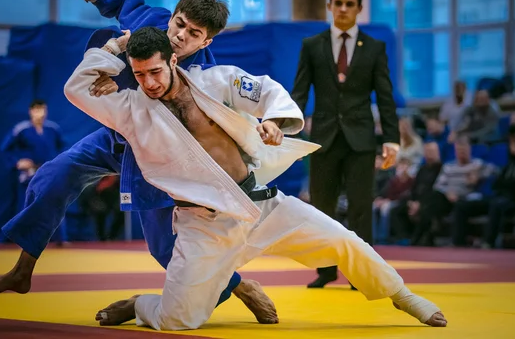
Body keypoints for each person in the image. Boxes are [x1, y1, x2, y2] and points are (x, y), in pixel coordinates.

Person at [65, 26, 447, 331]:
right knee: (176, 321)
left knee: (344, 240)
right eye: (139, 74)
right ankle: (141, 304)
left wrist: (273, 121)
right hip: (204, 226)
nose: (148, 83)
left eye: (155, 71)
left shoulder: (216, 81)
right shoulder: (132, 109)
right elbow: (76, 89)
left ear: (172, 59)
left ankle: (402, 295)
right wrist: (117, 46)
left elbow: (265, 90)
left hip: (262, 204)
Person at [0, 0, 277, 325]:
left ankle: (240, 286)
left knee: (165, 249)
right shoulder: (152, 19)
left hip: (161, 155)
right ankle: (23, 269)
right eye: (179, 23)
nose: (180, 35)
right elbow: (125, 4)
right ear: (174, 13)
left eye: (193, 33)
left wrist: (118, 85)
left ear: (206, 41)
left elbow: (219, 125)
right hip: (115, 139)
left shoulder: (206, 80)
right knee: (53, 175)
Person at [290, 0, 400, 289]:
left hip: (362, 138)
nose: (343, 9)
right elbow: (299, 92)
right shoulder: (312, 45)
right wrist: (286, 128)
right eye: (338, 3)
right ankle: (325, 270)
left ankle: (360, 273)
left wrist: (392, 139)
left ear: (359, 9)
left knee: (360, 206)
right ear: (329, 5)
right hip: (323, 136)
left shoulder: (375, 48)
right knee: (322, 208)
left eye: (349, 4)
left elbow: (386, 96)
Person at [0, 100, 67, 244]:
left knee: (55, 204)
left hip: (49, 172)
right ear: (31, 111)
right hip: (29, 173)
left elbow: (63, 147)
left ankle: (60, 239)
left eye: (43, 110)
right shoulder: (21, 129)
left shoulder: (53, 128)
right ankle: (21, 239)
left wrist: (59, 164)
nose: (40, 113)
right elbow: (5, 149)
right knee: (27, 205)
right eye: (37, 110)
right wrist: (16, 162)